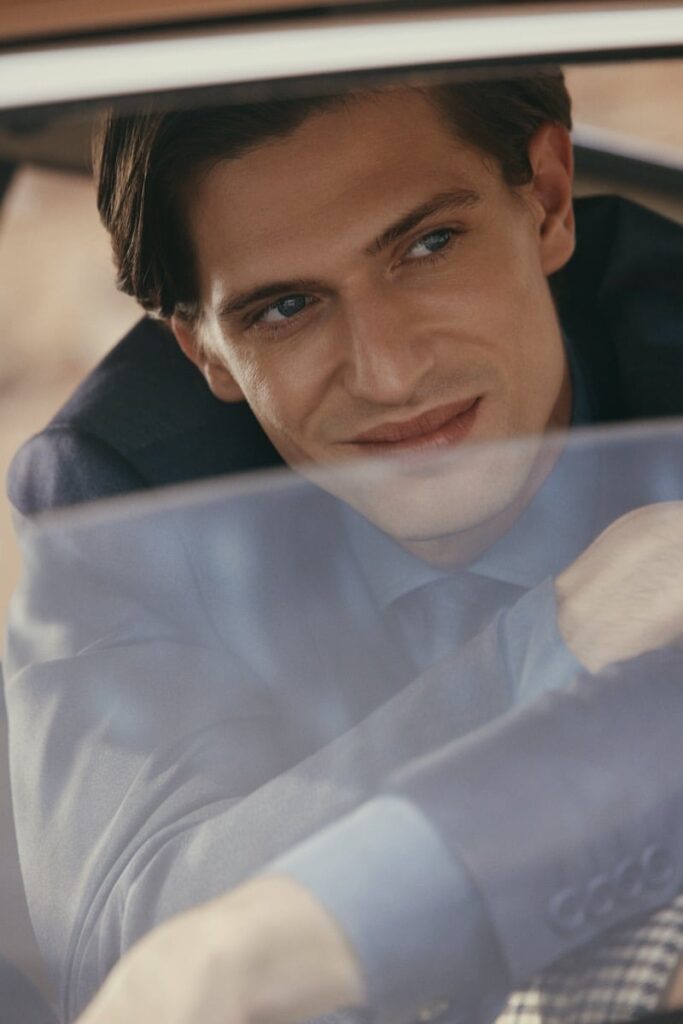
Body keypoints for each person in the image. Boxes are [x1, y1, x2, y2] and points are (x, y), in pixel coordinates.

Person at [4, 71, 683, 1024]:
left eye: (428, 246)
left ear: (548, 202)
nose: (390, 372)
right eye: (285, 308)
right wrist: (549, 641)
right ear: (202, 351)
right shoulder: (120, 489)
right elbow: (136, 946)